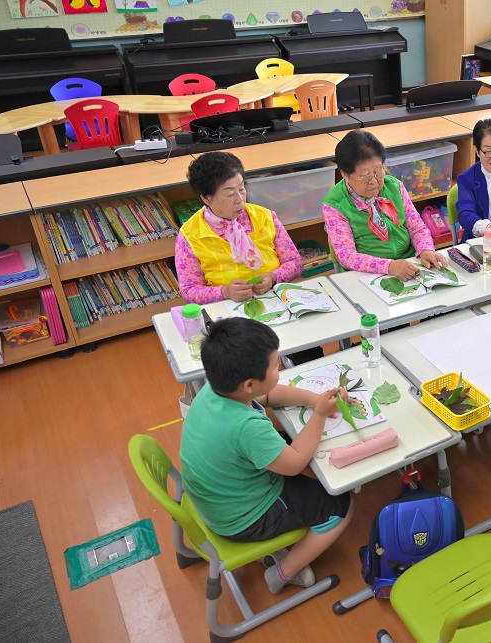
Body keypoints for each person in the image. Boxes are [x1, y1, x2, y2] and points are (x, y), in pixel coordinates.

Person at [179, 318, 353, 594]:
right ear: (249, 384)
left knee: (292, 444)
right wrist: (319, 413)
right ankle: (282, 573)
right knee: (340, 505)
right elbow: (295, 463)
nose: (281, 367)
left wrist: (311, 399)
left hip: (217, 499)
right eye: (275, 365)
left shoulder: (214, 391)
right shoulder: (246, 427)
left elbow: (269, 397)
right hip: (243, 518)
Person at [175, 151, 303, 305]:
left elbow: (295, 262)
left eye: (241, 189)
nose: (240, 200)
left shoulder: (265, 217)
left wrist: (272, 277)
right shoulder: (190, 235)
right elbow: (189, 290)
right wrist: (225, 292)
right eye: (230, 194)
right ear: (206, 198)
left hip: (275, 296)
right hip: (227, 306)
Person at [323, 130, 447, 280]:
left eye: (378, 171)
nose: (374, 181)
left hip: (409, 263)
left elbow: (417, 227)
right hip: (366, 274)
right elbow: (347, 257)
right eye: (365, 175)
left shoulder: (394, 186)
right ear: (345, 174)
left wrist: (425, 250)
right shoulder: (335, 205)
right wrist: (390, 266)